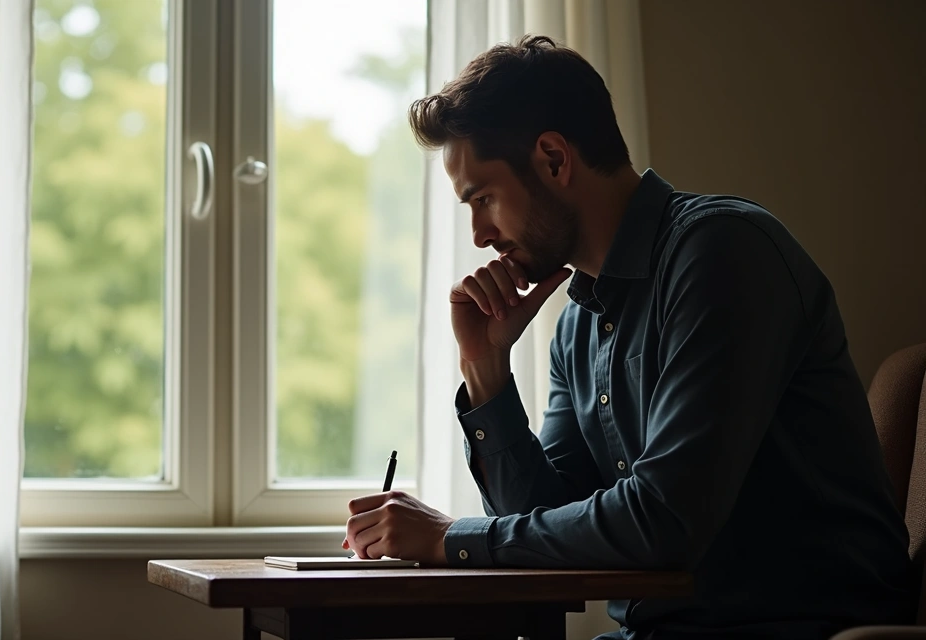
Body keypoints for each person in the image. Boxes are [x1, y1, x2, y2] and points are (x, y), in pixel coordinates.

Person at [341, 35, 912, 639]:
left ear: (554, 159)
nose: (480, 235)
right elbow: (541, 518)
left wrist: (449, 539)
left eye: (483, 199)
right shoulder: (577, 323)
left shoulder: (722, 254)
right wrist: (485, 369)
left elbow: (662, 521)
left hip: (793, 627)